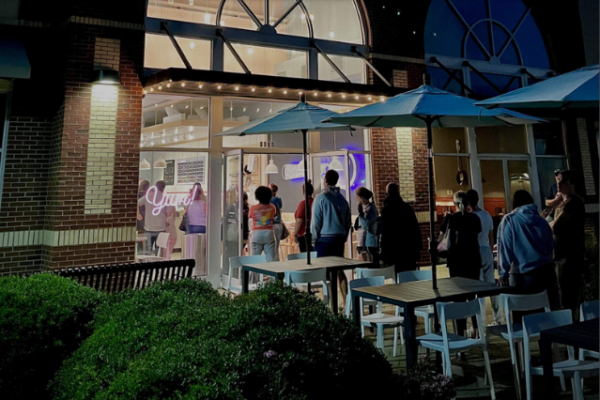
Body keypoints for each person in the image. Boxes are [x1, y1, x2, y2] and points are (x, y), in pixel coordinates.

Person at [497, 190, 557, 306]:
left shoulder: (510, 220)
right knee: (545, 316)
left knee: (522, 315)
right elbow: (550, 246)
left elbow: (504, 248)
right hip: (545, 273)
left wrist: (502, 273)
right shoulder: (542, 222)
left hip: (521, 277)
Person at [311, 170, 352, 309]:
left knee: (327, 273)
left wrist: (313, 239)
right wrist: (344, 236)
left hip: (324, 240)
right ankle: (346, 303)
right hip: (339, 239)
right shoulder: (343, 200)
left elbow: (316, 222)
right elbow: (348, 223)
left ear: (325, 180)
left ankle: (331, 305)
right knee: (339, 271)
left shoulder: (320, 198)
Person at [444, 191, 482, 337]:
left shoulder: (452, 219)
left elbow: (446, 239)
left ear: (455, 204)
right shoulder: (475, 219)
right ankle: (476, 330)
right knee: (473, 296)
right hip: (473, 260)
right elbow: (477, 234)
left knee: (459, 298)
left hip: (457, 261)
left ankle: (460, 333)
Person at [550, 171, 586, 317]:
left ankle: (573, 324)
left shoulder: (574, 203)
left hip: (569, 256)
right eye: (557, 181)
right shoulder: (561, 203)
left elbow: (556, 226)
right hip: (560, 254)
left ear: (571, 185)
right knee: (563, 292)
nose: (559, 184)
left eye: (563, 181)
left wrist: (543, 226)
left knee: (568, 294)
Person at [467, 189, 503, 325]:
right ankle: (498, 318)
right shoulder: (487, 215)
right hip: (487, 250)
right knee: (491, 286)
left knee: (478, 288)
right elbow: (491, 237)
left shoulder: (470, 217)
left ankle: (479, 322)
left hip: (475, 251)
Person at [380, 183, 422, 275]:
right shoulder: (408, 209)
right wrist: (418, 249)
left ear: (387, 193)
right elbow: (415, 230)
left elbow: (385, 233)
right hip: (409, 251)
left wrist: (383, 252)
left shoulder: (386, 210)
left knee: (397, 280)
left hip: (393, 251)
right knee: (409, 277)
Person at [137, 180, 170, 256]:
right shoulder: (165, 198)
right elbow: (168, 213)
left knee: (148, 250)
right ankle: (158, 266)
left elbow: (137, 203)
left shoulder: (148, 196)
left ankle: (148, 266)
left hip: (148, 228)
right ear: (163, 188)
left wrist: (137, 214)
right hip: (161, 228)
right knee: (159, 251)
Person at [249, 186, 277, 262]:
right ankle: (271, 273)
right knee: (270, 259)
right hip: (269, 233)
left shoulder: (253, 208)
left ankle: (255, 274)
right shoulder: (272, 207)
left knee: (254, 261)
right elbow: (274, 215)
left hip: (256, 234)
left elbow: (250, 216)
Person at [355, 187, 379, 268]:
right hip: (363, 242)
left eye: (357, 197)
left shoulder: (370, 209)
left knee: (369, 266)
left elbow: (365, 225)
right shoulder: (367, 208)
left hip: (369, 243)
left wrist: (360, 213)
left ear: (361, 198)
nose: (357, 200)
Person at [293, 180, 314, 253]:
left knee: (305, 255)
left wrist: (294, 233)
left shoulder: (303, 204)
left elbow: (299, 220)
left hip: (303, 235)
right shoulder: (315, 202)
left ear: (303, 192)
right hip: (314, 233)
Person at [270, 183, 283, 261]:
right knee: (276, 246)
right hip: (279, 224)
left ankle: (272, 263)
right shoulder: (278, 200)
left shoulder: (269, 201)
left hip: (272, 225)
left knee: (271, 247)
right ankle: (277, 261)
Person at [136, 180, 150, 254]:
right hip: (146, 221)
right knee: (146, 240)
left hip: (137, 222)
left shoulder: (137, 195)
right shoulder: (148, 196)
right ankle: (144, 256)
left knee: (139, 241)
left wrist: (137, 214)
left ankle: (140, 254)